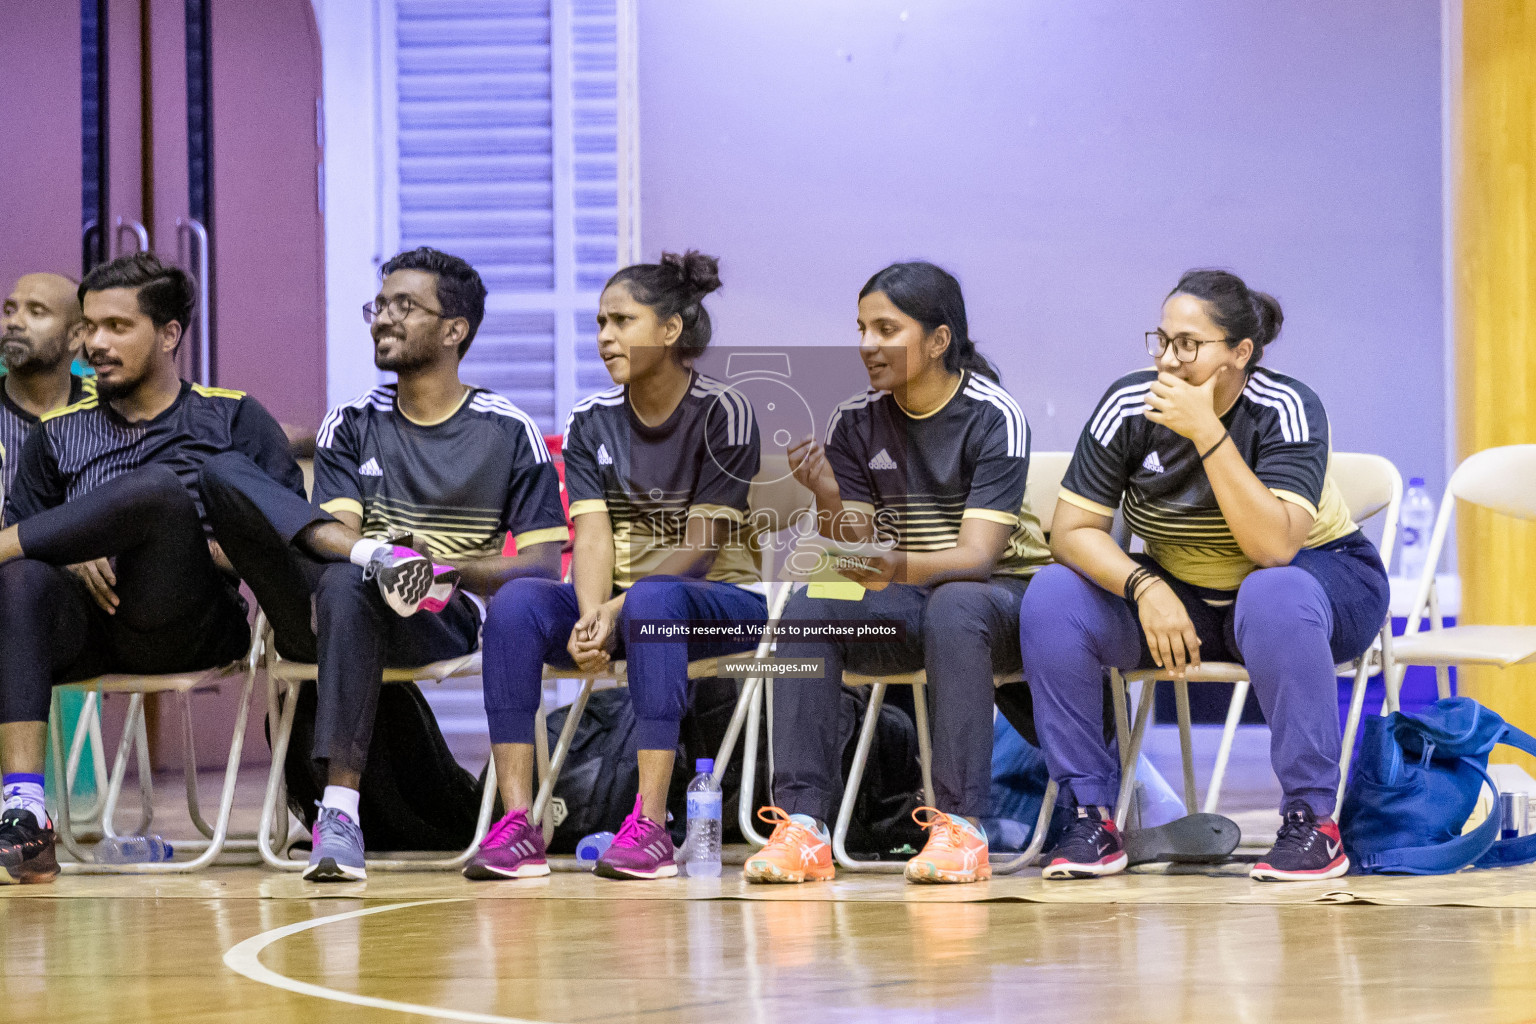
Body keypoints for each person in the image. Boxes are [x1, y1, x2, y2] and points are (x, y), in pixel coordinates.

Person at [198, 246, 568, 883]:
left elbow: (541, 565)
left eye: (406, 306)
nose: (383, 319)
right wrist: (379, 553)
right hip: (343, 594)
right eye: (380, 305)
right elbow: (332, 534)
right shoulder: (351, 422)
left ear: (455, 331)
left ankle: (338, 813)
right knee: (225, 472)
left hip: (440, 611)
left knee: (347, 580)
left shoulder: (507, 430)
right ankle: (340, 815)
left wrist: (442, 564)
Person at [1021, 269, 1388, 882]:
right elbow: (1071, 532)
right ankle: (1091, 815)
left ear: (1240, 354)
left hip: (1313, 583)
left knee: (1271, 590)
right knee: (1053, 592)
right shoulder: (1128, 405)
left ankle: (1313, 822)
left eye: (1188, 344)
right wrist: (1145, 586)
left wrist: (1208, 432)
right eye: (1161, 340)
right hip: (1182, 590)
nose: (1167, 359)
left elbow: (1273, 547)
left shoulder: (1286, 407)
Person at [745, 261, 1051, 886]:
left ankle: (961, 827)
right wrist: (829, 496)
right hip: (907, 595)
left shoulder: (994, 415)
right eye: (861, 328)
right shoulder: (855, 420)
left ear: (939, 340)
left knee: (958, 603)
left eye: (886, 328)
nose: (866, 345)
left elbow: (977, 557)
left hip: (1003, 600)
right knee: (809, 605)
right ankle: (803, 827)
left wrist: (890, 564)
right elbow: (854, 547)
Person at [0, 252, 302, 885]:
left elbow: (285, 529)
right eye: (89, 327)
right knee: (20, 574)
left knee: (157, 491)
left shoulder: (233, 417)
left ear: (169, 334)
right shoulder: (57, 434)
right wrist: (70, 545)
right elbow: (26, 536)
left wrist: (208, 545)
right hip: (92, 629)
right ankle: (25, 813)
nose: (96, 343)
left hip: (188, 621)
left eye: (117, 326)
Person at [467, 250, 767, 882]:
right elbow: (593, 538)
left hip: (718, 601)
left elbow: (702, 547)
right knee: (519, 602)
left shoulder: (726, 413)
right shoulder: (591, 419)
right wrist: (589, 620)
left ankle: (651, 826)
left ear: (670, 329)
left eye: (621, 320)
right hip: (620, 603)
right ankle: (521, 822)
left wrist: (617, 609)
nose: (604, 337)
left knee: (656, 599)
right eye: (600, 322)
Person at [1, 272, 93, 500]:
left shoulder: (105, 411)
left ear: (76, 335)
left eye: (36, 312)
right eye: (10, 310)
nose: (13, 322)